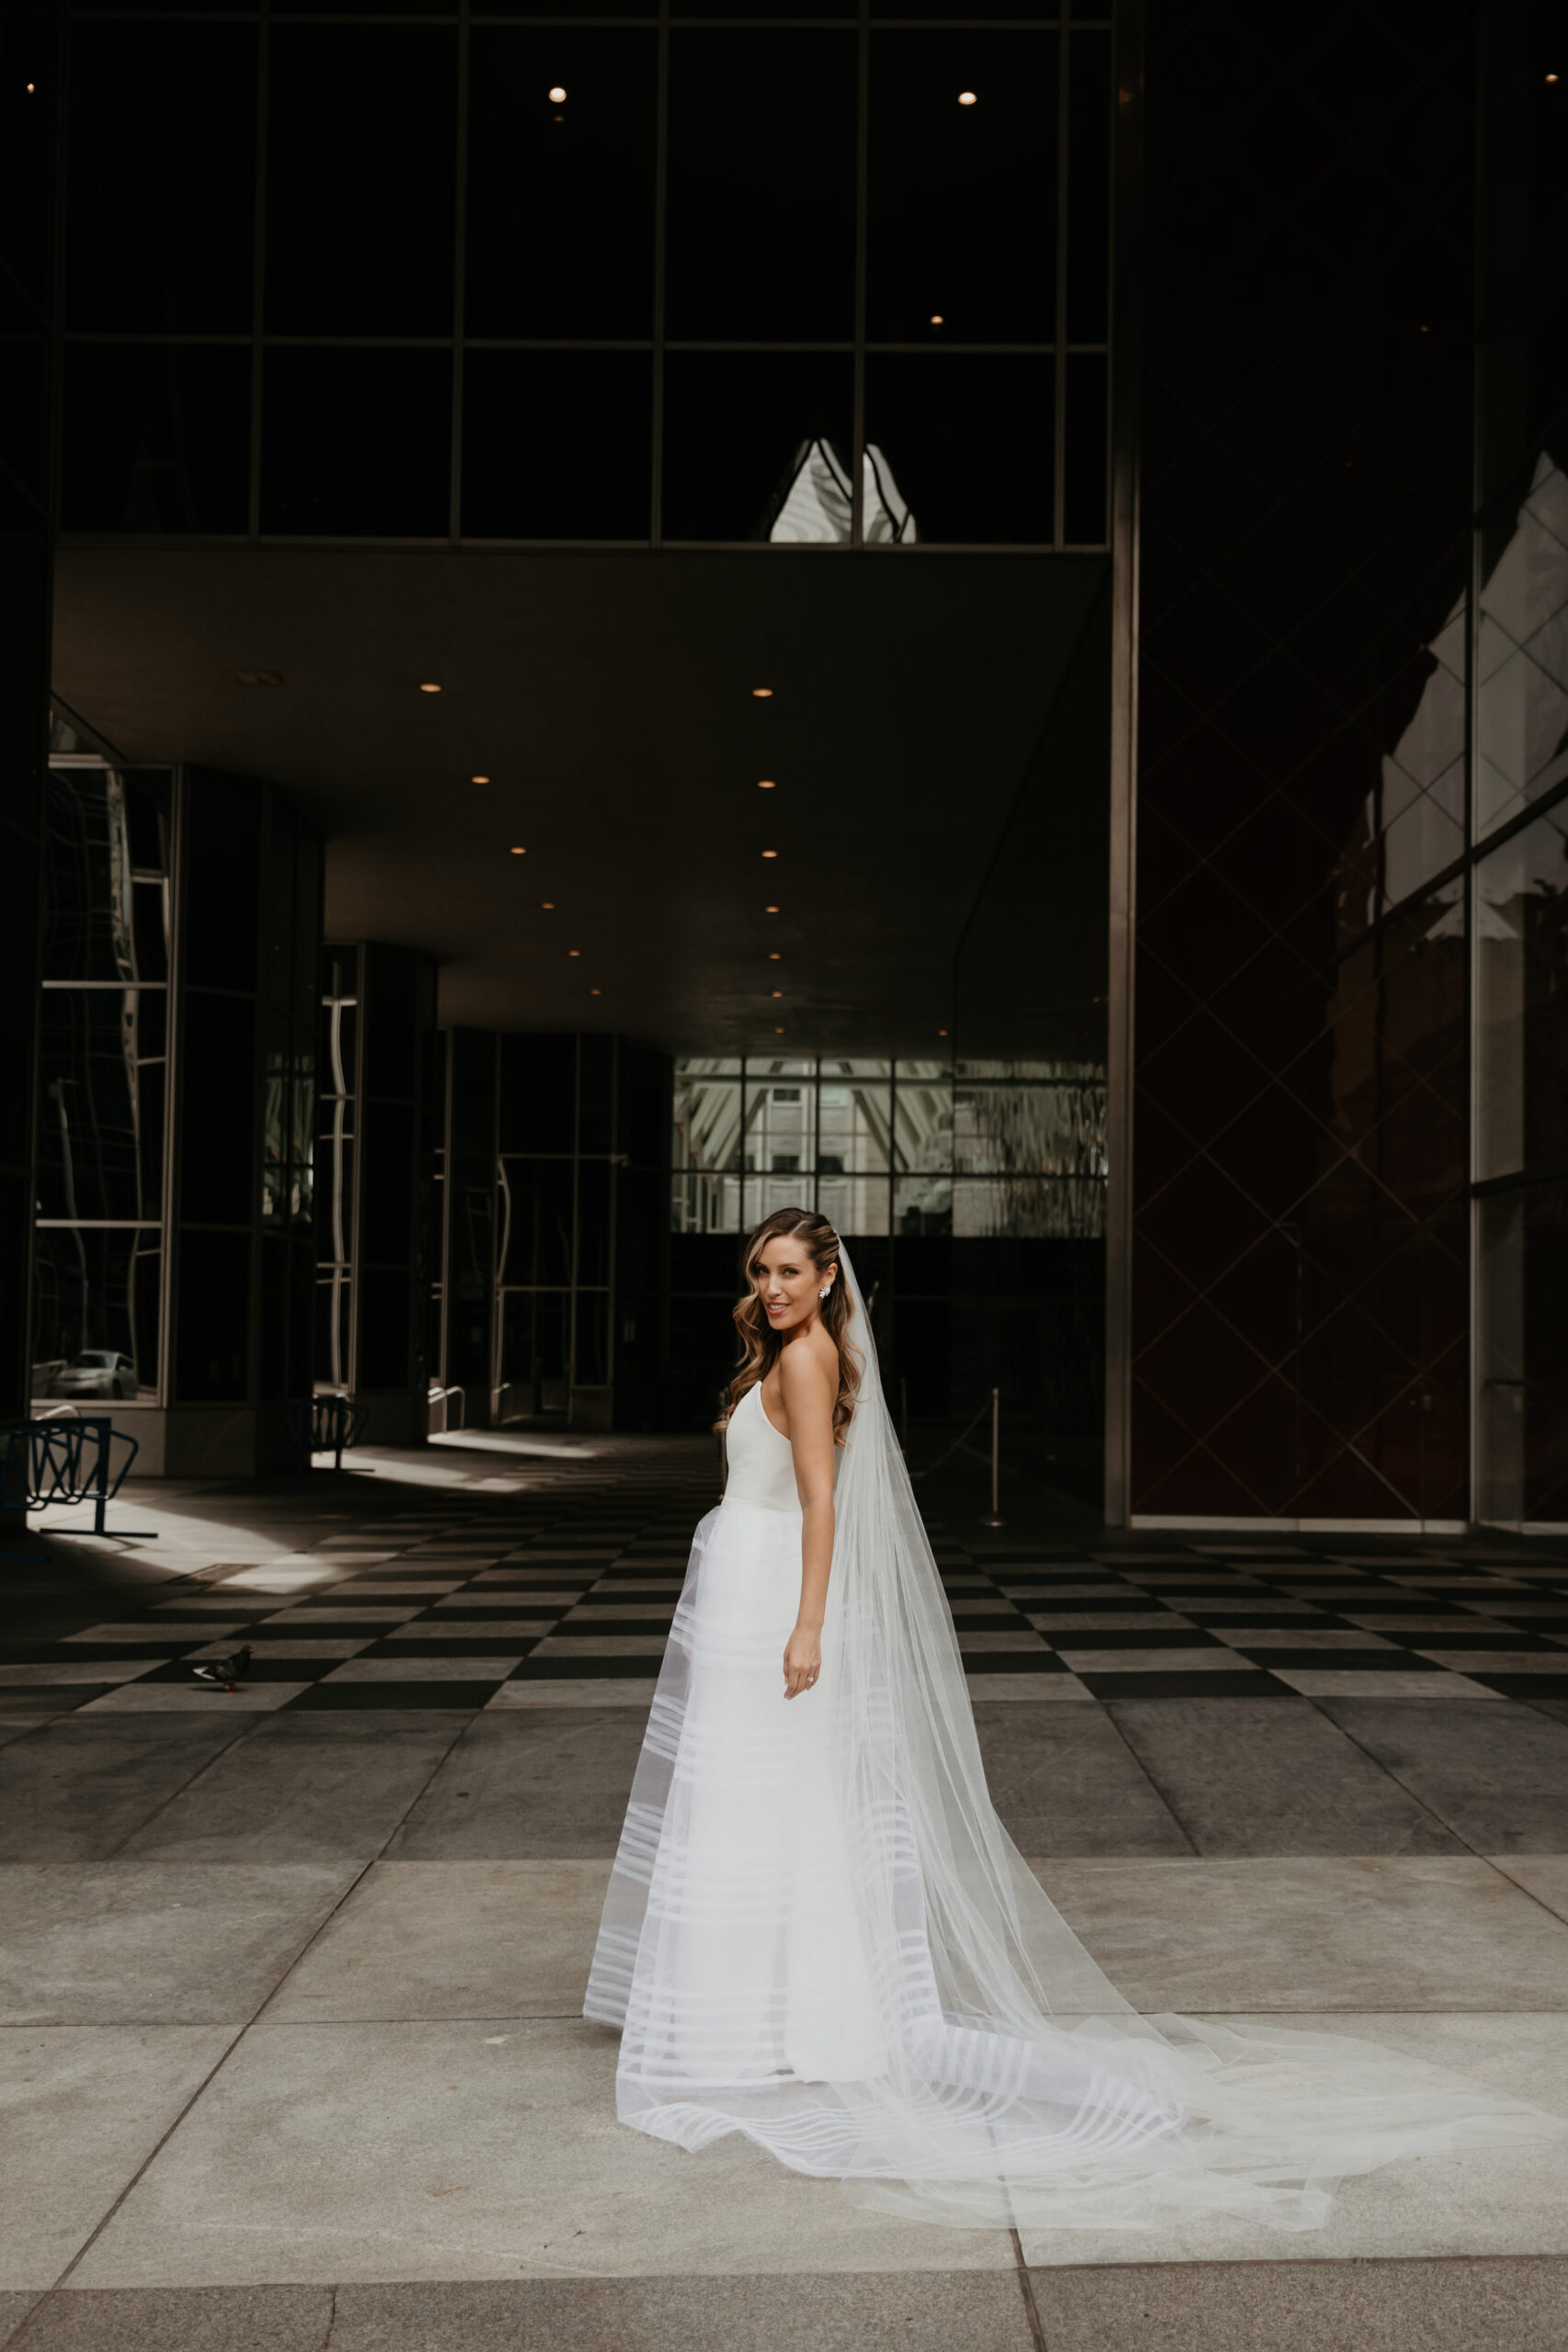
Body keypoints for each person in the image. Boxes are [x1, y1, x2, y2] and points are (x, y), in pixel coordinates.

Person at [586, 1207, 1563, 2230]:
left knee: (763, 1802)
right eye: (762, 1270)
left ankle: (761, 2019)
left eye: (790, 1270)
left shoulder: (807, 1359)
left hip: (778, 1593)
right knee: (760, 1803)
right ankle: (765, 2010)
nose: (773, 1286)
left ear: (830, 1279)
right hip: (747, 1588)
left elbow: (823, 1505)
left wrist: (806, 1625)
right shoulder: (788, 1352)